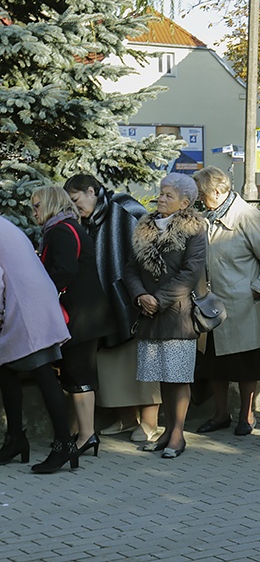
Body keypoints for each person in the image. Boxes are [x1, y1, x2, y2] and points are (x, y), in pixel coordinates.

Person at [63, 174, 162, 442]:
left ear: (92, 191)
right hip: (102, 305)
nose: (74, 207)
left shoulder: (126, 208)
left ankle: (150, 423)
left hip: (134, 301)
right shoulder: (82, 221)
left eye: (75, 200)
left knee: (141, 364)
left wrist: (144, 294)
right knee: (113, 366)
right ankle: (126, 419)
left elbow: (154, 252)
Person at [192, 167, 260, 437]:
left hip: (244, 305)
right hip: (213, 306)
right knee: (215, 364)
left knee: (246, 364)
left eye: (201, 193)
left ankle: (247, 415)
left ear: (217, 192)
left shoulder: (246, 216)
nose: (198, 198)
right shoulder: (206, 216)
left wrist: (257, 291)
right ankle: (220, 415)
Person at [124, 173, 207, 459]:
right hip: (149, 313)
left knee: (178, 377)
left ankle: (177, 435)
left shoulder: (195, 229)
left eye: (168, 195)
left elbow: (191, 272)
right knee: (162, 375)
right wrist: (140, 296)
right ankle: (167, 430)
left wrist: (158, 300)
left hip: (177, 315)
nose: (161, 198)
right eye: (161, 193)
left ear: (185, 203)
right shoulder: (145, 225)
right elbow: (130, 268)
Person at [31, 185, 111, 459]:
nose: (34, 212)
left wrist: (43, 294)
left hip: (79, 315)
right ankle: (84, 433)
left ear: (51, 203)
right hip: (85, 313)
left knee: (78, 375)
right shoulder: (70, 227)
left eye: (38, 205)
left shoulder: (60, 231)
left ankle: (87, 435)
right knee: (78, 374)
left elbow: (64, 271)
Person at [0, 216, 78, 474]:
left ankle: (64, 444)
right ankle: (15, 439)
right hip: (28, 300)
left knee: (42, 372)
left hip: (25, 305)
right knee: (6, 368)